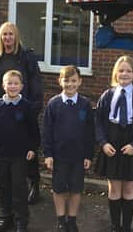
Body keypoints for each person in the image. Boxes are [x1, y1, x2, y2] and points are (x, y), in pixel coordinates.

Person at [0, 22, 44, 204]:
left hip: (22, 111)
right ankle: (9, 191)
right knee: (5, 152)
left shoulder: (26, 57)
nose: (7, 38)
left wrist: (33, 108)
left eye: (11, 34)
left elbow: (36, 84)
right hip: (0, 112)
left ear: (16, 37)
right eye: (4, 35)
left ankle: (34, 184)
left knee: (27, 150)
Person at [95, 55, 133, 232]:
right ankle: (115, 226)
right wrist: (103, 143)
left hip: (131, 145)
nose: (124, 74)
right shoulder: (107, 95)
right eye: (121, 70)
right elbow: (98, 122)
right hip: (111, 144)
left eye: (128, 71)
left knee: (128, 187)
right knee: (114, 188)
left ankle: (126, 227)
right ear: (115, 74)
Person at [0, 70, 41, 232]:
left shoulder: (26, 107)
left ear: (22, 86)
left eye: (16, 83)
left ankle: (21, 220)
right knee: (4, 186)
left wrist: (32, 148)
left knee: (19, 187)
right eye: (9, 83)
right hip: (0, 154)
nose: (13, 86)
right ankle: (6, 217)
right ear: (3, 86)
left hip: (20, 155)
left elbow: (33, 131)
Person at [43, 66, 95, 231]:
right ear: (60, 81)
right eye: (66, 80)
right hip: (59, 156)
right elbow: (47, 131)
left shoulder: (85, 104)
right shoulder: (53, 104)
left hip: (78, 156)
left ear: (80, 82)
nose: (70, 84)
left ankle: (71, 220)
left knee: (76, 188)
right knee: (58, 188)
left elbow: (90, 132)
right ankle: (61, 220)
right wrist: (48, 154)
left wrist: (88, 155)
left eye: (73, 81)